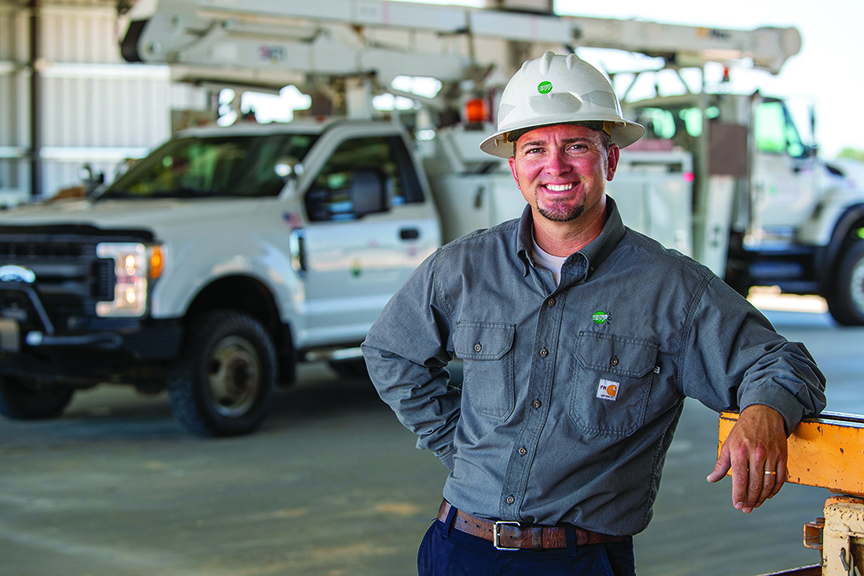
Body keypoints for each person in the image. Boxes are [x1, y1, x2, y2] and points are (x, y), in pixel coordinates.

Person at [361, 51, 826, 576]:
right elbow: (389, 353)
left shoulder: (671, 288)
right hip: (459, 549)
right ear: (515, 169)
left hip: (581, 562)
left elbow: (785, 363)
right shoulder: (464, 267)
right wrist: (461, 448)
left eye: (575, 146)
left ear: (610, 159)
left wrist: (764, 411)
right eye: (535, 148)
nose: (554, 167)